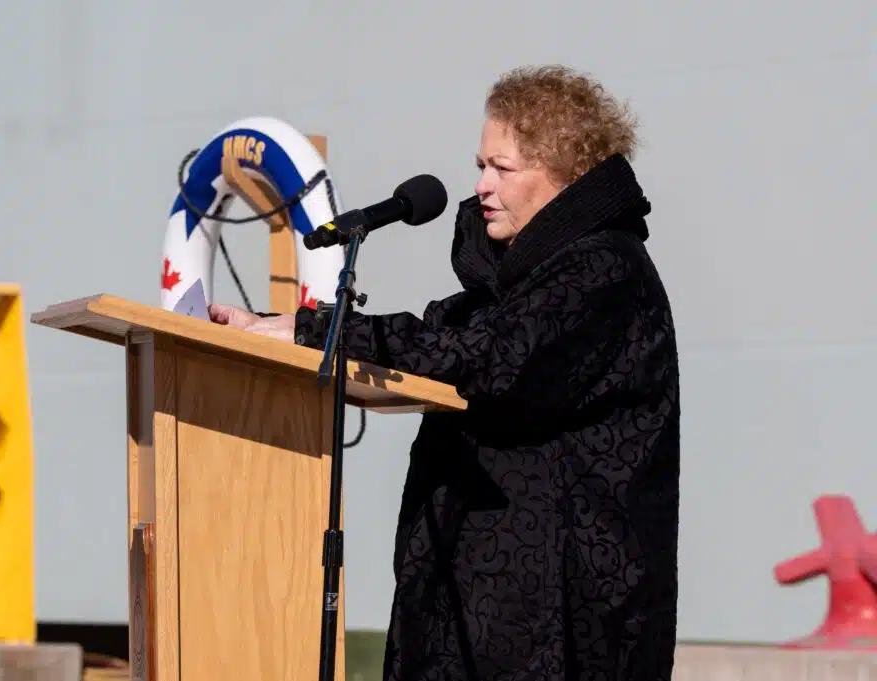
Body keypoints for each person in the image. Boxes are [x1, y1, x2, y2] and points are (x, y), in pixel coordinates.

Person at [208, 64, 680, 681]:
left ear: (564, 176)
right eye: (481, 165)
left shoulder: (604, 273)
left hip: (560, 625)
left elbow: (490, 362)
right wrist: (292, 328)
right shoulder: (515, 285)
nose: (481, 185)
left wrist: (322, 332)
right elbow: (440, 338)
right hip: (481, 614)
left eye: (502, 168)